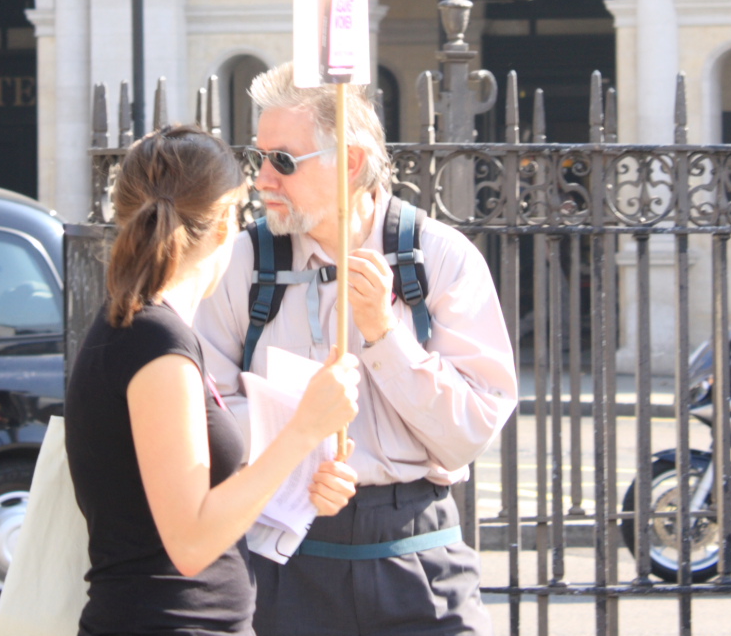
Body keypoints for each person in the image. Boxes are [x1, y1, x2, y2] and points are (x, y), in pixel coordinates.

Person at [195, 66, 518, 636]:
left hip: (417, 551)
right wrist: (299, 461)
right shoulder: (246, 265)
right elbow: (208, 410)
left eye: (283, 161)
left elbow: (469, 433)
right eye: (258, 158)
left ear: (347, 162)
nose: (263, 179)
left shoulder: (438, 258)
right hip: (287, 554)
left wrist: (384, 336)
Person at [66, 125, 361, 636]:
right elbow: (191, 542)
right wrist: (302, 433)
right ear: (225, 222)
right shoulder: (153, 342)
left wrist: (299, 478)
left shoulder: (143, 330)